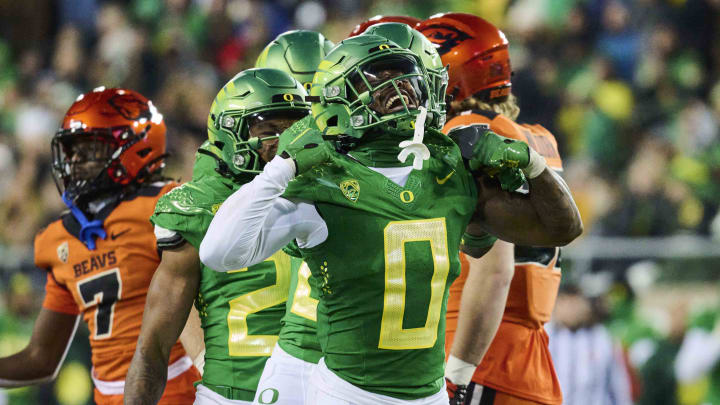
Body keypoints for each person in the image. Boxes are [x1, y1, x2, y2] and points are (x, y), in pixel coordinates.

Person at [200, 34, 582, 404]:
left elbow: (563, 229)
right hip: (343, 389)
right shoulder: (320, 180)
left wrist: (532, 165)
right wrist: (282, 167)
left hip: (428, 394)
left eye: (404, 74)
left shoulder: (450, 169)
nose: (401, 89)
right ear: (339, 95)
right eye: (379, 78)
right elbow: (219, 253)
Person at [0, 87, 200, 404]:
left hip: (180, 390)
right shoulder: (60, 237)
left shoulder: (166, 205)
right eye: (72, 152)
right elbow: (41, 358)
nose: (75, 162)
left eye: (88, 149)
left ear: (134, 148)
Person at [124, 68, 311, 405]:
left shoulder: (323, 189)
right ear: (230, 131)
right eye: (269, 129)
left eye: (293, 129)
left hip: (319, 391)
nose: (283, 142)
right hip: (232, 394)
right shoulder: (197, 207)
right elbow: (153, 345)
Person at [418, 13, 569, 405]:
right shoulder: (538, 137)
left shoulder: (468, 130)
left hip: (480, 356)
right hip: (525, 356)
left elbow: (495, 266)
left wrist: (458, 374)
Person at [251, 30, 334, 405]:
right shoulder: (237, 172)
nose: (300, 125)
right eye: (279, 118)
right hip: (266, 353)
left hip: (332, 347)